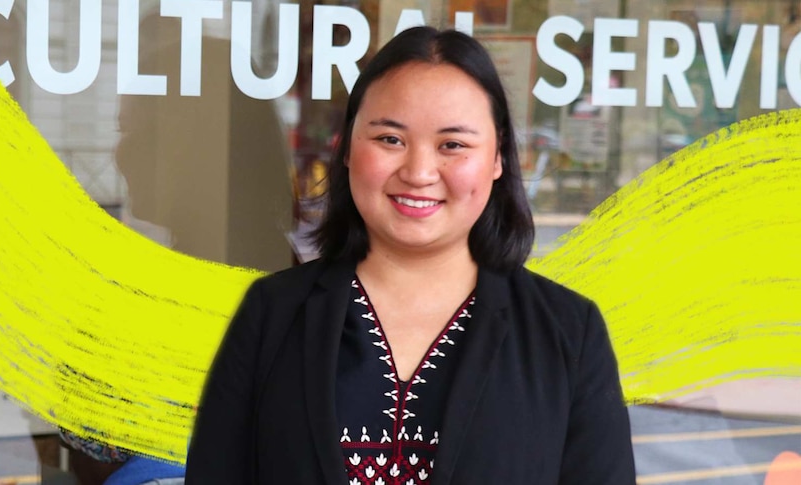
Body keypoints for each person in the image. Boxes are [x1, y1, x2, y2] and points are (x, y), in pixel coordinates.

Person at [186, 26, 635, 484]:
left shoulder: (568, 331)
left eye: (453, 145)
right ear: (346, 150)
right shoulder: (272, 313)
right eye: (390, 139)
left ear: (498, 158)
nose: (419, 172)